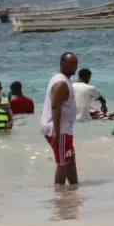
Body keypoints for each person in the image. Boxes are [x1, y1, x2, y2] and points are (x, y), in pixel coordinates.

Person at [41, 53, 80, 186]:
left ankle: (74, 189)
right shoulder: (61, 82)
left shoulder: (63, 79)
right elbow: (56, 107)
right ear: (62, 64)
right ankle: (60, 197)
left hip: (64, 129)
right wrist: (56, 133)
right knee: (62, 163)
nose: (74, 67)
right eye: (71, 64)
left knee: (70, 158)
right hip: (59, 130)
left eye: (76, 63)